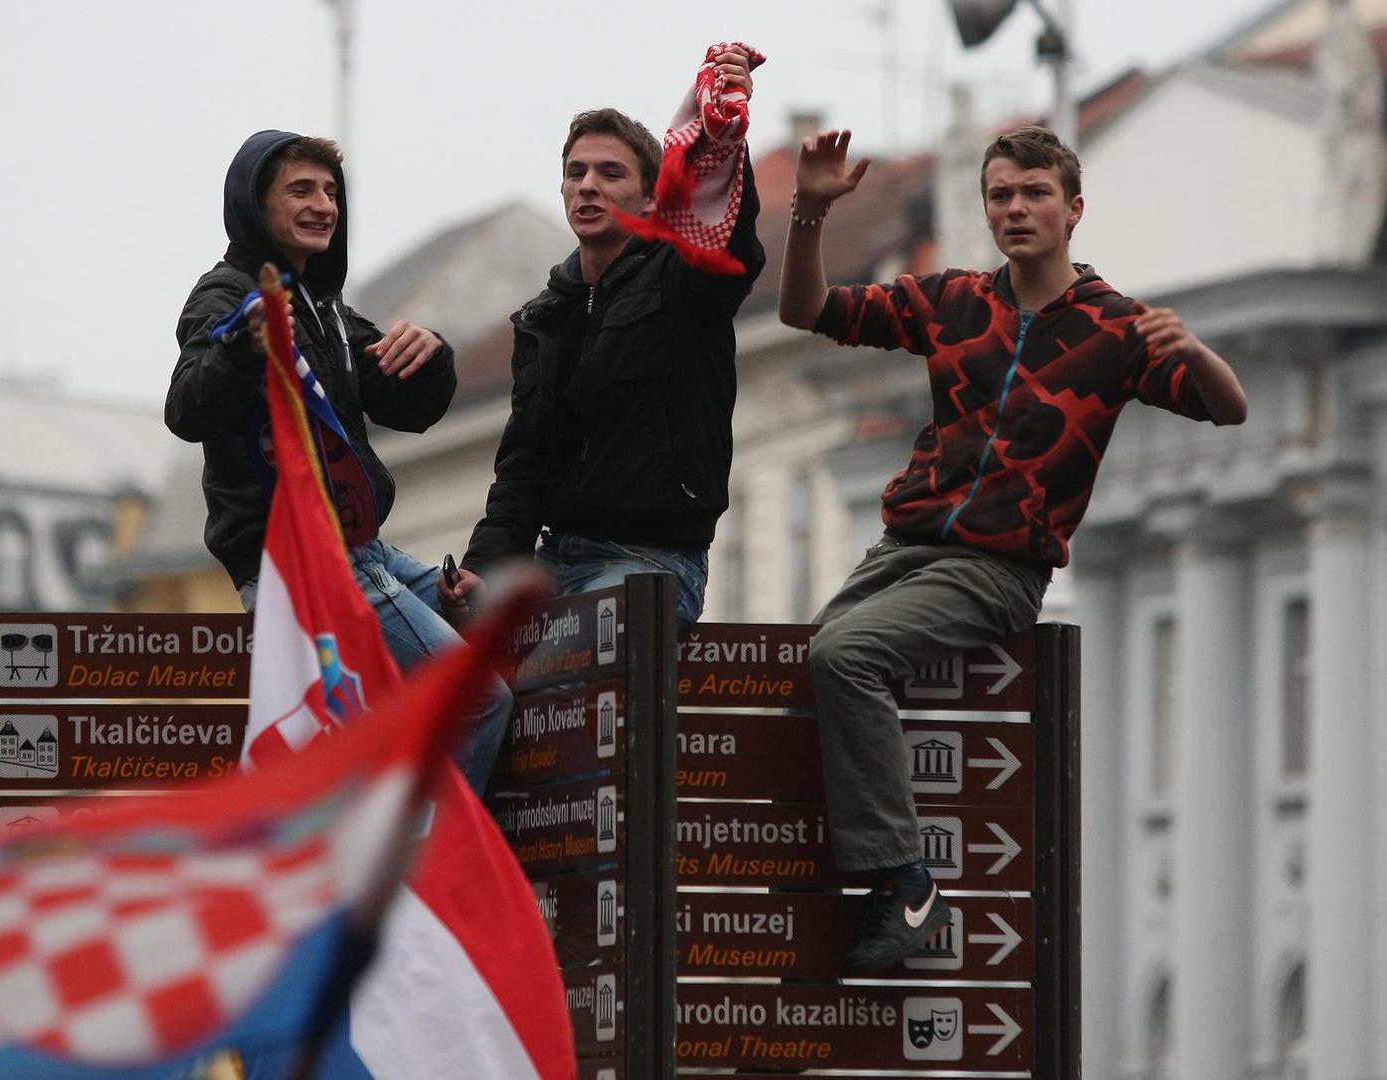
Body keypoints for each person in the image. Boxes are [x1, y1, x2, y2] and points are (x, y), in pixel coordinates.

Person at [778, 125, 1248, 974]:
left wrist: (1196, 352)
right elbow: (805, 311)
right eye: (1000, 194)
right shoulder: (953, 302)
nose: (1015, 208)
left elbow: (1229, 408)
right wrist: (809, 211)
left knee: (846, 655)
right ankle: (834, 886)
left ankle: (905, 881)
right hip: (902, 549)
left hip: (998, 568)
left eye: (1033, 193)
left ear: (1071, 210)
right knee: (799, 680)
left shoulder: (1114, 329)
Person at [165, 129, 511, 794]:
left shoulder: (324, 309)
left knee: (486, 618)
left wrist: (433, 357)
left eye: (330, 192)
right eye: (301, 190)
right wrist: (243, 346)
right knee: (479, 699)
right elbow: (186, 409)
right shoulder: (226, 295)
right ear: (253, 206)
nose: (324, 204)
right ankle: (420, 874)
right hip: (306, 566)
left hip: (362, 552)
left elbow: (408, 408)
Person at [440, 45, 766, 628]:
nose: (588, 185)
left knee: (573, 681)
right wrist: (483, 570)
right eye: (576, 173)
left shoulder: (682, 279)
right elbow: (522, 470)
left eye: (610, 173)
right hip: (550, 564)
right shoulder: (542, 320)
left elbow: (728, 235)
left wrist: (723, 138)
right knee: (460, 683)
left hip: (649, 562)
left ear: (650, 198)